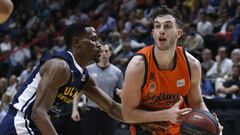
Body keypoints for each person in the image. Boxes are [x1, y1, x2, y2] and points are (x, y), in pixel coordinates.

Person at [0, 23, 123, 135]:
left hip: (36, 126)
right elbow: (38, 113)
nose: (99, 45)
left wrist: (139, 116)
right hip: (21, 123)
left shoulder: (84, 77)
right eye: (93, 39)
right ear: (77, 42)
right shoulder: (60, 66)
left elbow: (111, 107)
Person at [121, 6, 222, 135]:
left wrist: (212, 123)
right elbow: (127, 115)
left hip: (179, 129)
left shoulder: (192, 65)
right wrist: (165, 115)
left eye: (167, 26)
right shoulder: (138, 66)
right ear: (153, 33)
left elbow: (197, 103)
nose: (161, 30)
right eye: (157, 26)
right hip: (147, 130)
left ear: (179, 33)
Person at [71, 43, 124, 135]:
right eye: (101, 51)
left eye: (106, 51)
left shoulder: (117, 72)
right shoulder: (88, 69)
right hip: (91, 111)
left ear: (110, 53)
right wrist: (74, 109)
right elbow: (79, 90)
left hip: (109, 112)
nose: (103, 53)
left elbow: (123, 93)